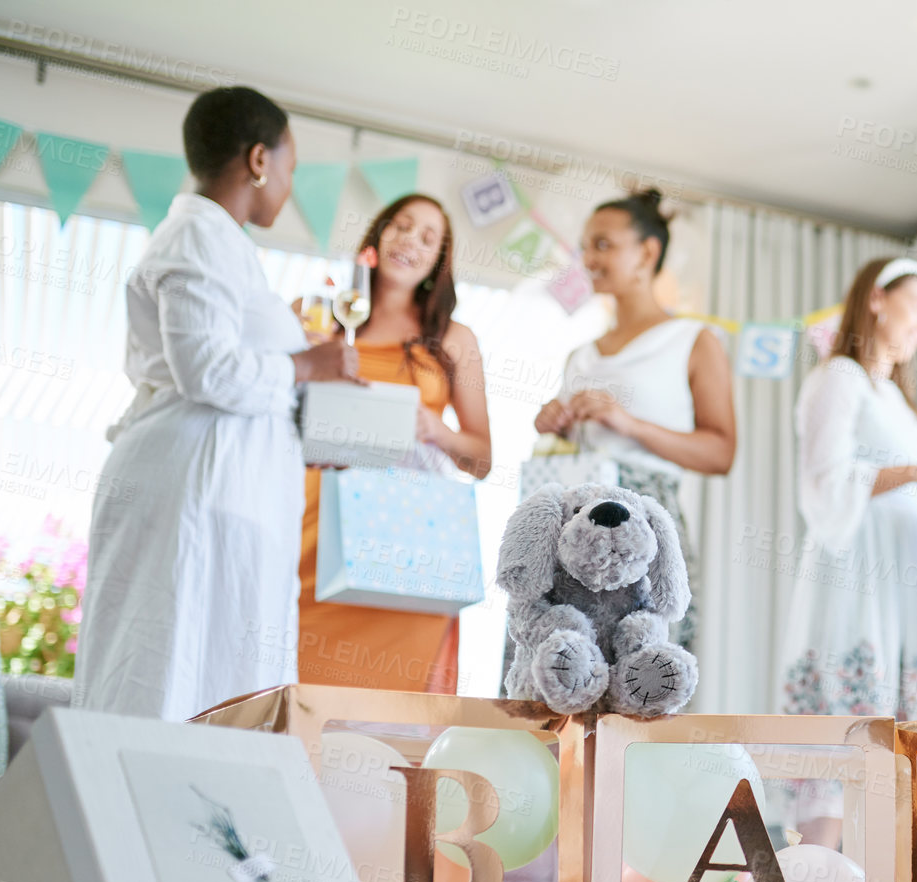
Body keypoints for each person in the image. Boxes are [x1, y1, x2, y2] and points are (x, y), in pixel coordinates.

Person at [74, 87, 359, 721]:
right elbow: (206, 367)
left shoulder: (223, 243)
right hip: (193, 490)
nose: (288, 182)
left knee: (209, 670)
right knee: (170, 665)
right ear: (259, 159)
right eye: (289, 165)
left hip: (223, 492)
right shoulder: (197, 234)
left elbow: (235, 368)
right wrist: (306, 364)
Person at [780, 256, 917, 721]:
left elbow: (910, 489)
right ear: (877, 299)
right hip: (863, 568)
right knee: (862, 707)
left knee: (908, 720)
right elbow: (827, 478)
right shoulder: (840, 378)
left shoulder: (893, 397)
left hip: (905, 572)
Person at [294, 194, 491, 692]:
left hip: (402, 541)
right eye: (401, 226)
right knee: (294, 696)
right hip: (309, 531)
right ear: (377, 237)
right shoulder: (316, 313)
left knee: (387, 720)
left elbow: (482, 459)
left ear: (438, 262)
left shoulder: (453, 339)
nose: (411, 240)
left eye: (429, 237)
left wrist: (435, 429)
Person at [532, 188, 734, 649]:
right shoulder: (579, 355)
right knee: (567, 667)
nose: (588, 257)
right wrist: (555, 424)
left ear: (647, 252)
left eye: (603, 244)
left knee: (643, 673)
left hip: (649, 524)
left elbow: (721, 452)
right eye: (585, 246)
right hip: (575, 528)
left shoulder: (693, 340)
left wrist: (629, 423)